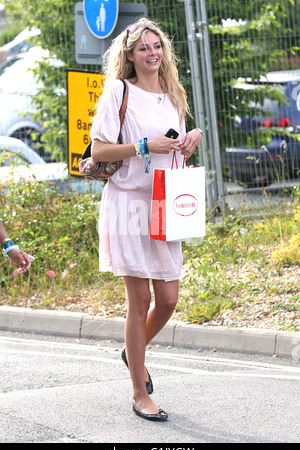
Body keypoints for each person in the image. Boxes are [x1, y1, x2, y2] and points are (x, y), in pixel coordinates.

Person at [90, 18, 203, 421]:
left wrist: (193, 139)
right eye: (143, 48)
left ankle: (131, 352)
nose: (152, 53)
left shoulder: (173, 94)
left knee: (168, 299)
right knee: (139, 301)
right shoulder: (118, 91)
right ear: (129, 55)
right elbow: (99, 151)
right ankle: (140, 392)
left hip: (166, 202)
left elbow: (175, 152)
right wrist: (143, 146)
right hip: (128, 204)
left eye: (157, 46)